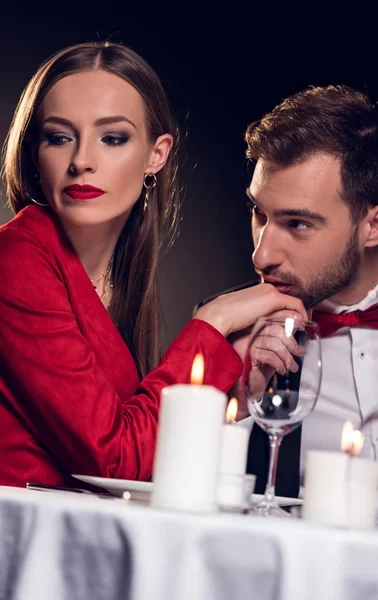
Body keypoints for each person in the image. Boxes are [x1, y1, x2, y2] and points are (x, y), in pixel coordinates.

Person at [0, 41, 307, 489]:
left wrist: (232, 391)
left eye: (112, 138)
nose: (81, 160)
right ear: (35, 152)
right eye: (59, 137)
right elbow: (116, 461)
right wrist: (214, 321)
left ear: (156, 154)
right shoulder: (16, 261)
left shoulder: (116, 276)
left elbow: (135, 449)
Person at [238, 85, 378, 512]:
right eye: (259, 214)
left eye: (298, 224)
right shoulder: (233, 330)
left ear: (375, 225)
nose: (262, 254)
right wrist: (236, 390)